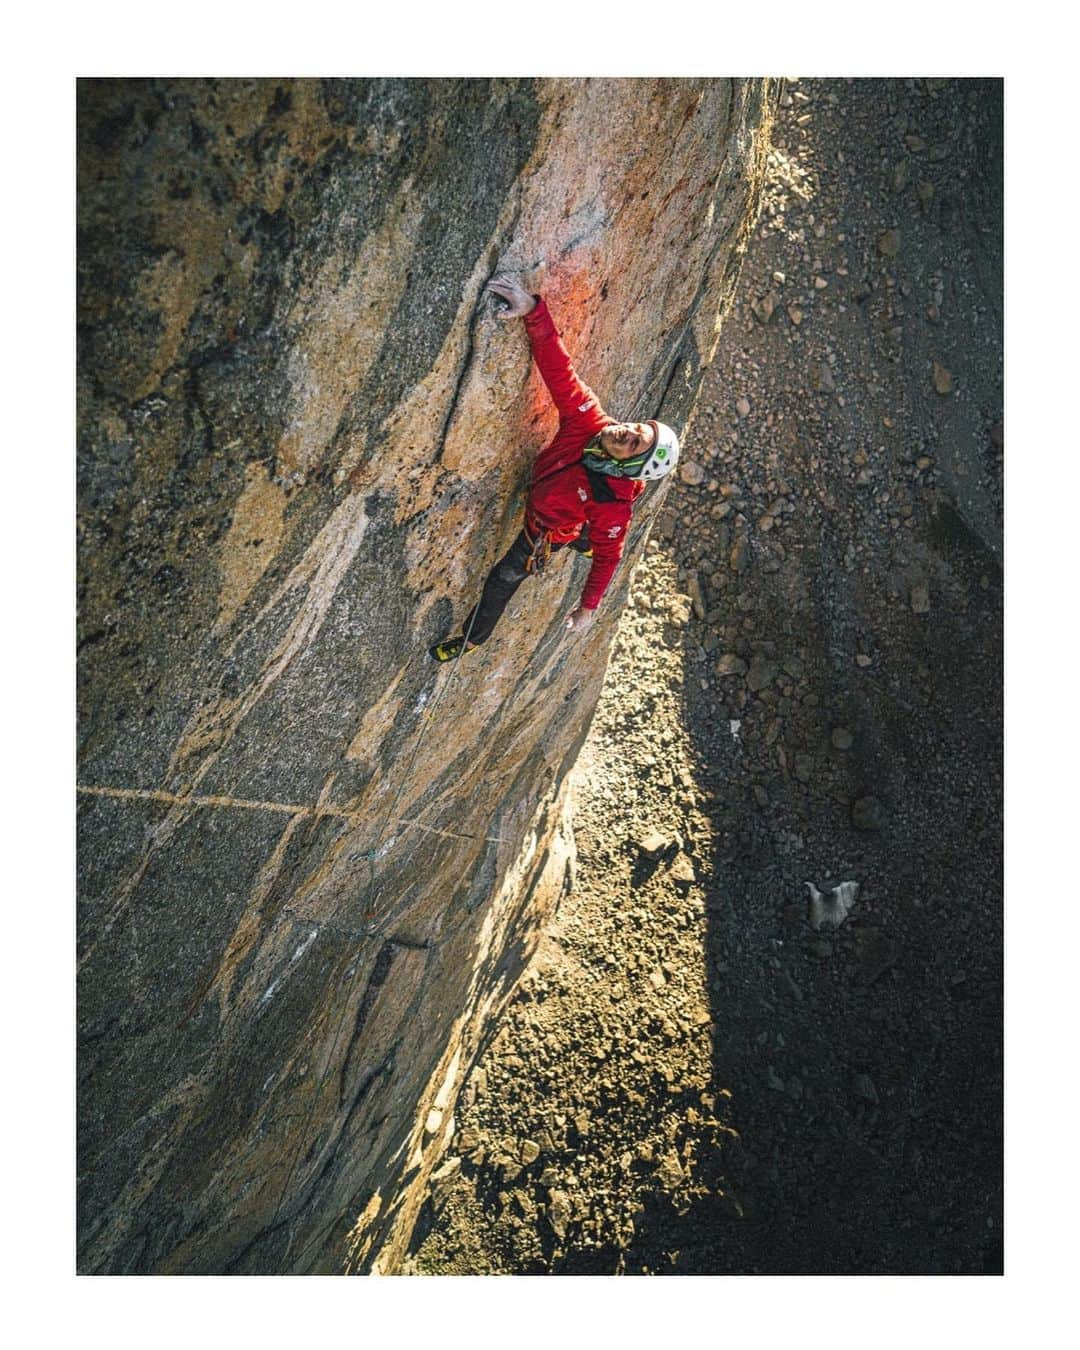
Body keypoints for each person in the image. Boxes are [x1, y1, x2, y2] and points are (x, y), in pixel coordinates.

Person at [430, 274, 680, 661]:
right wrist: (533, 310)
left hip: (545, 528)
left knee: (503, 579)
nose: (626, 430)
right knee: (585, 535)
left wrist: (588, 607)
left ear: (629, 465)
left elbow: (610, 556)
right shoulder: (590, 424)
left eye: (634, 442)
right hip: (561, 506)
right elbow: (560, 371)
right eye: (638, 427)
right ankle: (581, 541)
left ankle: (470, 641)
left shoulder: (612, 504)